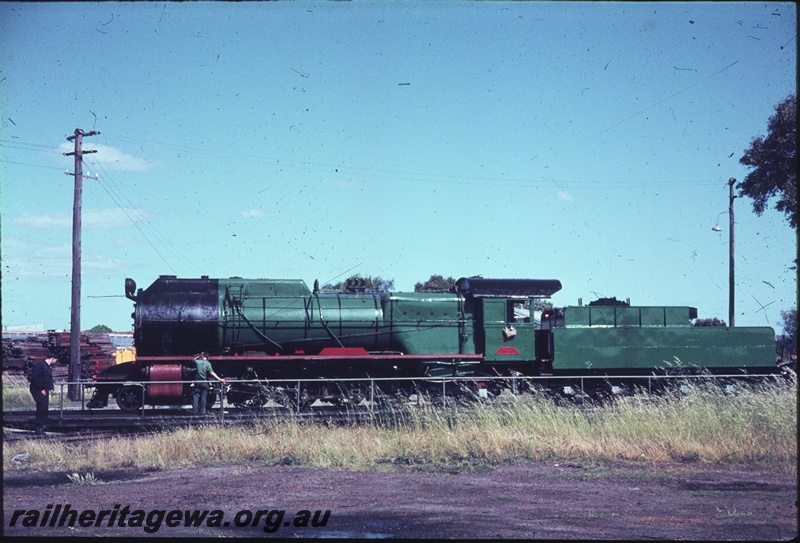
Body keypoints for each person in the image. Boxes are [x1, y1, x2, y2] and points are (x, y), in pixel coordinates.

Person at [29, 356, 57, 434]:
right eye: (56, 360)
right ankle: (38, 427)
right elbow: (35, 378)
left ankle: (41, 426)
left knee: (45, 408)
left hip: (44, 389)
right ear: (52, 358)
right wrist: (41, 389)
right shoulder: (40, 365)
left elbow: (49, 379)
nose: (56, 362)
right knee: (42, 406)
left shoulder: (48, 367)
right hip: (37, 389)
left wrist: (51, 388)